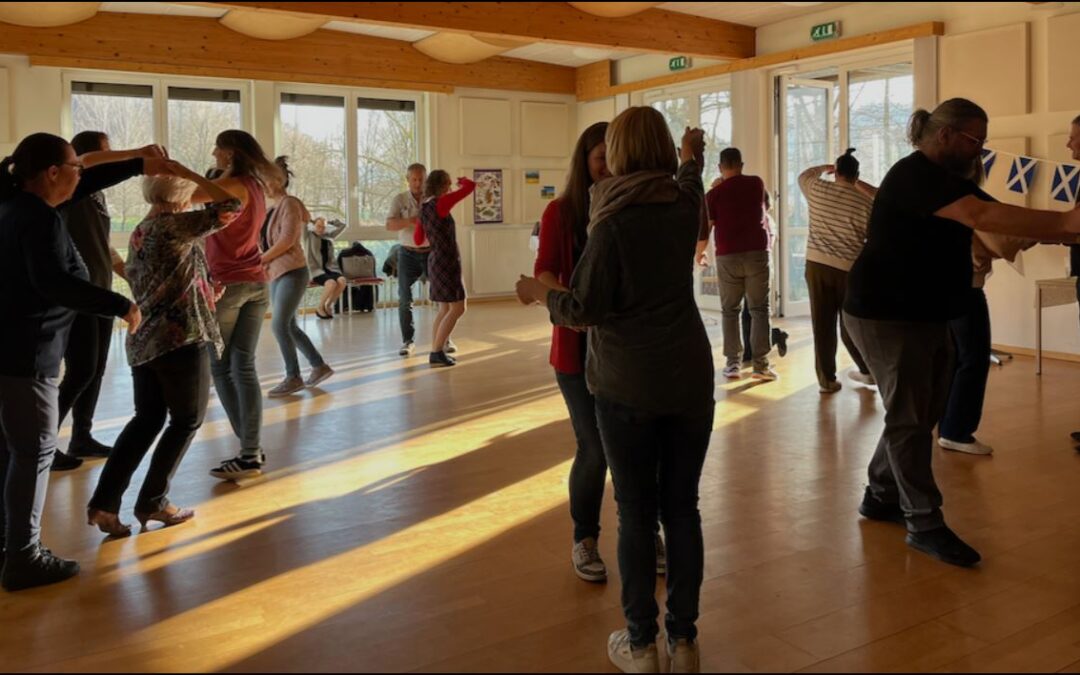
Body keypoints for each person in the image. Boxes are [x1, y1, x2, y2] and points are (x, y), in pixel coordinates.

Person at [844, 98, 1080, 568]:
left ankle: (880, 494)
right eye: (976, 140)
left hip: (927, 312)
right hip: (885, 314)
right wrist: (1064, 224)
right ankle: (924, 522)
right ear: (945, 135)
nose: (981, 150)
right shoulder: (915, 177)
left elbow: (1007, 225)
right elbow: (985, 219)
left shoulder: (952, 181)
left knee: (921, 410)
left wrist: (1064, 230)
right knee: (911, 416)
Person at [517, 110, 714, 674]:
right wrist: (691, 153)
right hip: (689, 379)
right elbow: (692, 177)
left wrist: (538, 292)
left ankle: (641, 645)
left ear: (621, 153)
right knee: (683, 510)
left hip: (627, 383)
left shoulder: (613, 224)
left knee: (634, 513)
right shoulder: (682, 205)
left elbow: (584, 309)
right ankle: (685, 643)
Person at [0, 133, 141, 591]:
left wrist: (140, 163)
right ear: (52, 173)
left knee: (12, 451)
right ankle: (22, 558)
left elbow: (87, 181)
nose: (80, 175)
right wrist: (118, 305)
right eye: (74, 167)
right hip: (27, 353)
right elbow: (53, 282)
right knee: (34, 452)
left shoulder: (15, 204)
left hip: (15, 347)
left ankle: (9, 544)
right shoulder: (37, 217)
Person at [533, 122, 667, 584]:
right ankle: (584, 538)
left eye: (613, 157)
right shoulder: (561, 212)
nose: (607, 167)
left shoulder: (635, 211)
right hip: (575, 351)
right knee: (594, 449)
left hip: (627, 354)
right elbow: (544, 271)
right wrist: (569, 301)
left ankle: (647, 534)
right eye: (598, 159)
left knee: (639, 450)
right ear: (583, 163)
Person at [87, 164, 242, 536]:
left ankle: (104, 505)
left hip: (145, 339)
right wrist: (187, 174)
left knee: (147, 420)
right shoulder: (173, 225)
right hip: (178, 338)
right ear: (182, 196)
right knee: (187, 419)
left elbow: (159, 278)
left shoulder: (142, 230)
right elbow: (233, 204)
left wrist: (206, 292)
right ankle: (153, 502)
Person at [53, 133, 166, 471]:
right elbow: (85, 162)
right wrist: (136, 155)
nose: (113, 155)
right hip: (80, 293)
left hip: (100, 290)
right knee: (81, 370)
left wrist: (128, 274)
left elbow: (103, 245)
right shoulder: (73, 187)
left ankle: (82, 435)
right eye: (108, 150)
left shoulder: (97, 197)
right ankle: (45, 440)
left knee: (95, 369)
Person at [191, 130, 282, 481]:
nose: (213, 153)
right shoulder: (255, 186)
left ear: (229, 153)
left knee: (221, 366)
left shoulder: (234, 186)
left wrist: (179, 170)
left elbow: (186, 196)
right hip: (256, 282)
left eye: (218, 148)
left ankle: (249, 449)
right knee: (242, 366)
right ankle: (250, 450)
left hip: (230, 285)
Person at [798, 149, 877, 394]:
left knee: (822, 325)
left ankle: (827, 380)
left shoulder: (818, 189)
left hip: (817, 266)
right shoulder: (866, 203)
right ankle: (867, 370)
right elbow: (872, 239)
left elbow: (804, 175)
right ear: (857, 175)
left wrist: (824, 166)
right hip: (849, 270)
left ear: (836, 173)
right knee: (850, 324)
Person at [698, 147, 776, 381]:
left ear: (720, 167)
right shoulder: (756, 184)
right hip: (757, 253)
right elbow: (767, 207)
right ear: (741, 164)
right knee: (760, 309)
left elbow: (707, 226)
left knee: (730, 311)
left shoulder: (714, 194)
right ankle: (761, 366)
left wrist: (699, 253)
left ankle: (733, 364)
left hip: (728, 256)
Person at [260, 157, 334, 397]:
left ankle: (293, 377)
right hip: (277, 273)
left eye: (267, 178)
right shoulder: (271, 208)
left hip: (292, 271)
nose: (263, 183)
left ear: (280, 180)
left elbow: (287, 240)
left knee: (279, 324)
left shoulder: (290, 204)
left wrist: (260, 259)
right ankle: (319, 366)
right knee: (288, 325)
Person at [387, 164, 454, 356]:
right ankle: (408, 341)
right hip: (407, 253)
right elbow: (389, 224)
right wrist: (411, 220)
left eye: (421, 179)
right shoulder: (399, 200)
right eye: (414, 179)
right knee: (405, 299)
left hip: (433, 253)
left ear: (427, 180)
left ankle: (445, 339)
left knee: (444, 297)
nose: (418, 183)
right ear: (407, 180)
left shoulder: (435, 199)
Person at [417, 171, 475, 368]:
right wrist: (462, 181)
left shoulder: (423, 208)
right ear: (442, 186)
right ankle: (436, 351)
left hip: (434, 258)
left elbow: (418, 239)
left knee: (444, 309)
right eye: (448, 185)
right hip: (447, 260)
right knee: (459, 307)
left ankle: (437, 348)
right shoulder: (441, 204)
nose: (451, 189)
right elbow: (470, 188)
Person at [305, 216, 347, 319]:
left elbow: (342, 225)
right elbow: (302, 223)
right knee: (331, 283)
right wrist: (310, 220)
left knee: (342, 281)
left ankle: (328, 305)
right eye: (318, 226)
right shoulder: (307, 236)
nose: (321, 229)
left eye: (323, 227)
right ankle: (319, 307)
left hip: (330, 268)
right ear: (313, 226)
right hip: (316, 269)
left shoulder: (329, 236)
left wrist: (330, 221)